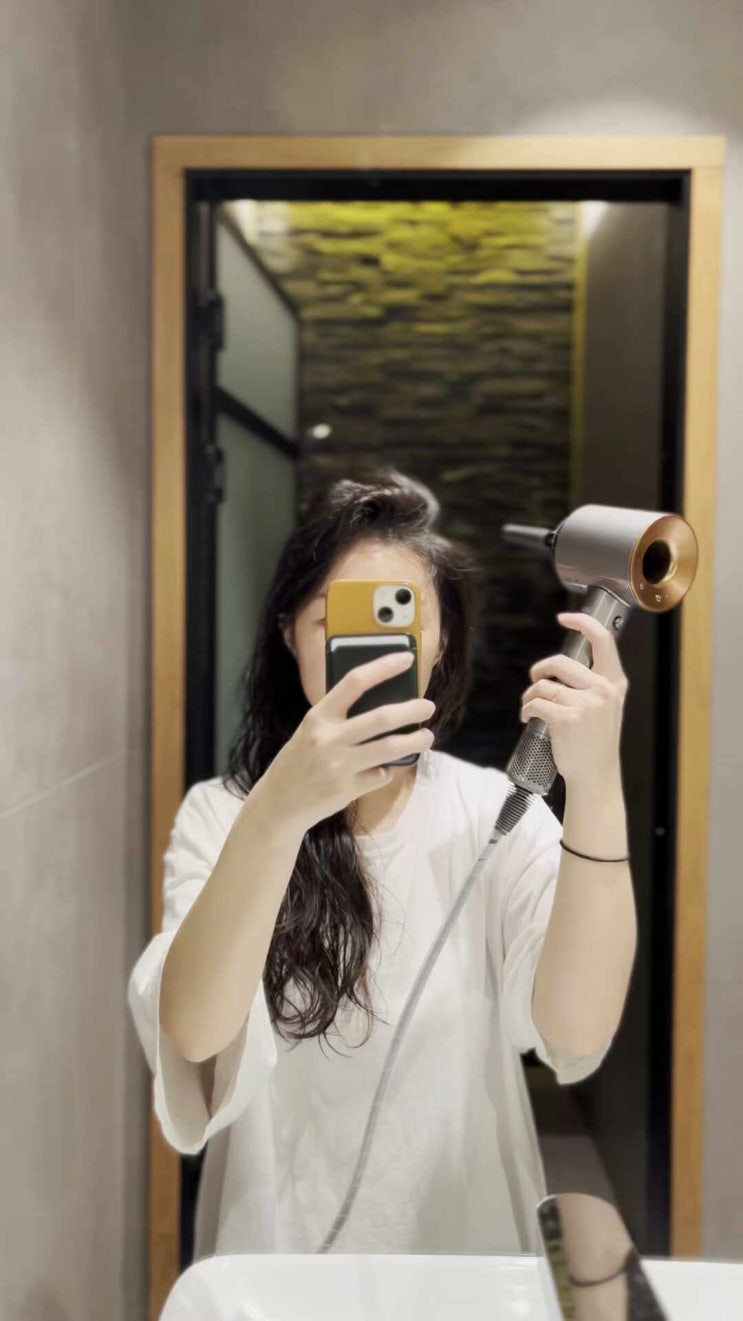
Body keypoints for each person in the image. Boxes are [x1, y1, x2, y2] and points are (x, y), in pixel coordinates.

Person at [128, 465, 636, 1260]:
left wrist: (597, 783)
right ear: (289, 633)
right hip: (280, 1270)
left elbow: (576, 1029)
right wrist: (277, 813)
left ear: (439, 642)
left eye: (399, 616)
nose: (367, 649)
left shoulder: (491, 814)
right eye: (334, 618)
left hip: (463, 1261)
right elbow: (193, 1032)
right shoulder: (223, 816)